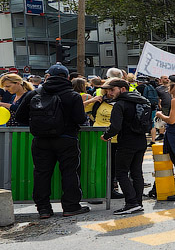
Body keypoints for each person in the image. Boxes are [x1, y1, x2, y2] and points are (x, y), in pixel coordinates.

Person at [12, 63, 89, 218]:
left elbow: (20, 116)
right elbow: (80, 119)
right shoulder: (73, 95)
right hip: (67, 139)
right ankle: (70, 206)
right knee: (69, 172)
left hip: (41, 140)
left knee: (41, 173)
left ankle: (44, 209)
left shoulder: (34, 94)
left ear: (47, 77)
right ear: (67, 77)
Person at [99, 77, 149, 214]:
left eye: (112, 89)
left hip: (126, 142)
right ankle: (137, 202)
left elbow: (115, 126)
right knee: (136, 172)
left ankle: (131, 203)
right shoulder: (140, 100)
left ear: (122, 89)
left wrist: (106, 135)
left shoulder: (120, 104)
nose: (110, 93)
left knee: (121, 173)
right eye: (108, 90)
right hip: (141, 140)